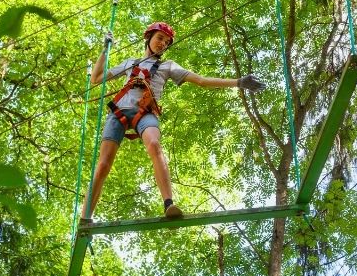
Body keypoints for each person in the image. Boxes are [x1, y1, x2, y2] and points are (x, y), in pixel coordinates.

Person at [81, 21, 266, 221]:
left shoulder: (168, 66)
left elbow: (201, 81)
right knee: (103, 165)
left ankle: (169, 203)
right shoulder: (129, 63)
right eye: (160, 38)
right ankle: (85, 217)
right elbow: (96, 79)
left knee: (154, 144)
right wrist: (104, 51)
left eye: (167, 42)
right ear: (149, 37)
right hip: (118, 113)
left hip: (145, 113)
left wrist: (238, 83)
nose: (163, 44)